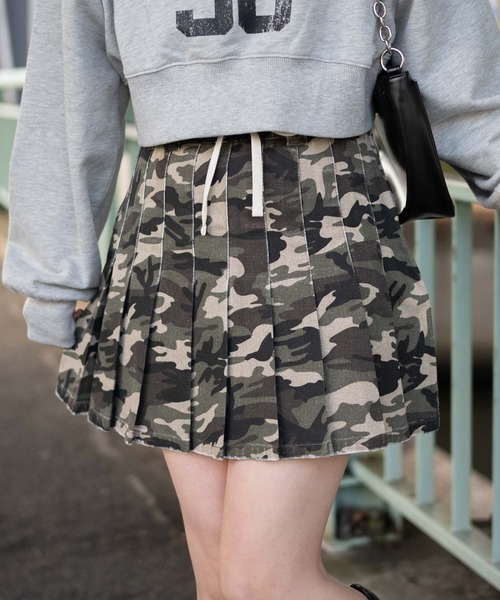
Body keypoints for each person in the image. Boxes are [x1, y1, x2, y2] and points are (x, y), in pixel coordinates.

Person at [2, 1, 500, 599]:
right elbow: (67, 93)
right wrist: (52, 281)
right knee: (218, 581)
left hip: (321, 222)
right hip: (173, 234)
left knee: (259, 582)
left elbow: (462, 68)